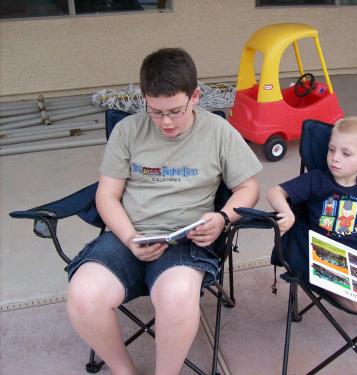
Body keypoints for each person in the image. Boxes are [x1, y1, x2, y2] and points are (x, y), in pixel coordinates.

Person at [66, 48, 262, 375]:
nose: (166, 122)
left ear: (195, 96)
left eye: (175, 110)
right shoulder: (127, 131)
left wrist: (223, 218)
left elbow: (249, 188)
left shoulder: (219, 132)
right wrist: (129, 238)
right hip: (129, 235)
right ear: (144, 98)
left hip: (186, 240)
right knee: (83, 295)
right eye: (155, 111)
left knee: (177, 296)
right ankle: (123, 370)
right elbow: (107, 196)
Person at [266, 116, 357, 315]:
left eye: (346, 153)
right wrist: (287, 213)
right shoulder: (317, 180)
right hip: (329, 260)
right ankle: (353, 293)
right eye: (331, 149)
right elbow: (274, 192)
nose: (335, 158)